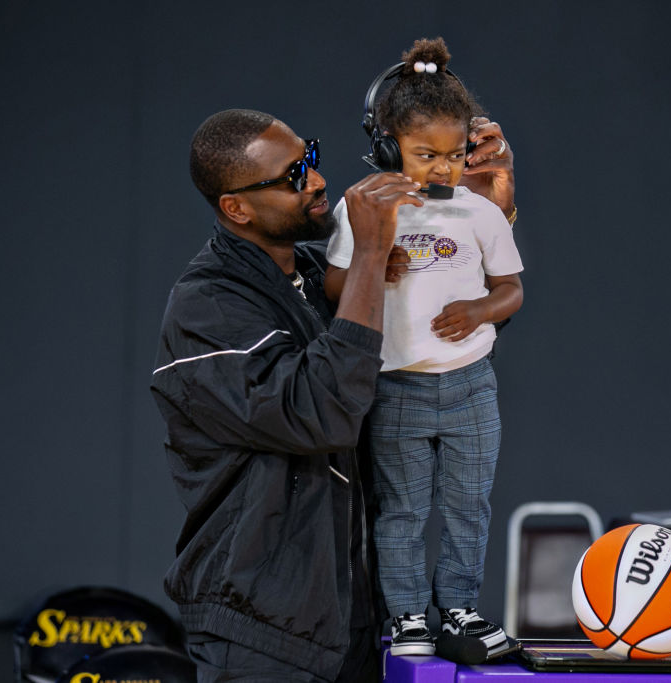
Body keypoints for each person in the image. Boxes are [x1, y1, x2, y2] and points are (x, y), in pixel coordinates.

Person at [150, 106, 515, 681]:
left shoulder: (323, 275)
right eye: (293, 175)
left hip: (353, 625)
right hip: (264, 637)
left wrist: (482, 212)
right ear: (237, 208)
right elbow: (322, 413)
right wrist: (370, 254)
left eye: (311, 157)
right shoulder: (207, 308)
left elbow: (442, 340)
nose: (317, 180)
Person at [324, 38, 523, 658]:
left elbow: (511, 287)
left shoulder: (481, 213)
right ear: (388, 146)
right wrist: (371, 261)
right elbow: (332, 283)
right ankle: (408, 615)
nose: (442, 168)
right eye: (423, 154)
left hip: (470, 384)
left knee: (470, 504)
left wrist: (481, 310)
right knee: (403, 509)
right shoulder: (365, 206)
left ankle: (459, 607)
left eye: (454, 155)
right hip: (398, 385)